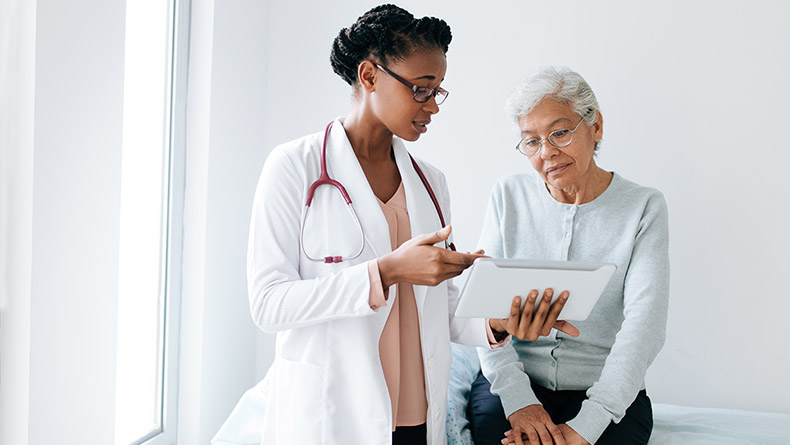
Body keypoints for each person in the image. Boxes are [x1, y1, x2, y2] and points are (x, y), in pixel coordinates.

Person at [216, 6, 576, 445]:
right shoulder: (294, 166)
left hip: (416, 417)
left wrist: (497, 323)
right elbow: (269, 305)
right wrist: (386, 272)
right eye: (422, 90)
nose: (433, 108)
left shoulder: (430, 182)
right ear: (369, 76)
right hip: (333, 412)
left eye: (438, 92)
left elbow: (435, 306)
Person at [466, 67, 670, 445]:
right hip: (515, 384)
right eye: (531, 141)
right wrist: (518, 402)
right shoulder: (507, 196)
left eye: (559, 133)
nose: (547, 153)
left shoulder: (644, 207)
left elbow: (646, 324)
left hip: (607, 391)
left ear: (596, 127)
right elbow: (483, 313)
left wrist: (589, 423)